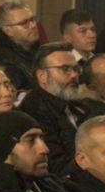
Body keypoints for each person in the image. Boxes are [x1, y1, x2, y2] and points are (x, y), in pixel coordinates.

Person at [17, 41, 87, 178]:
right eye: (65, 69)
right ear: (42, 76)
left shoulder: (79, 105)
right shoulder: (34, 112)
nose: (74, 75)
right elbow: (56, 166)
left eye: (75, 69)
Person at [0, 0, 42, 80]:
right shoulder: (4, 63)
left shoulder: (40, 50)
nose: (33, 25)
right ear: (8, 31)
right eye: (24, 23)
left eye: (32, 19)